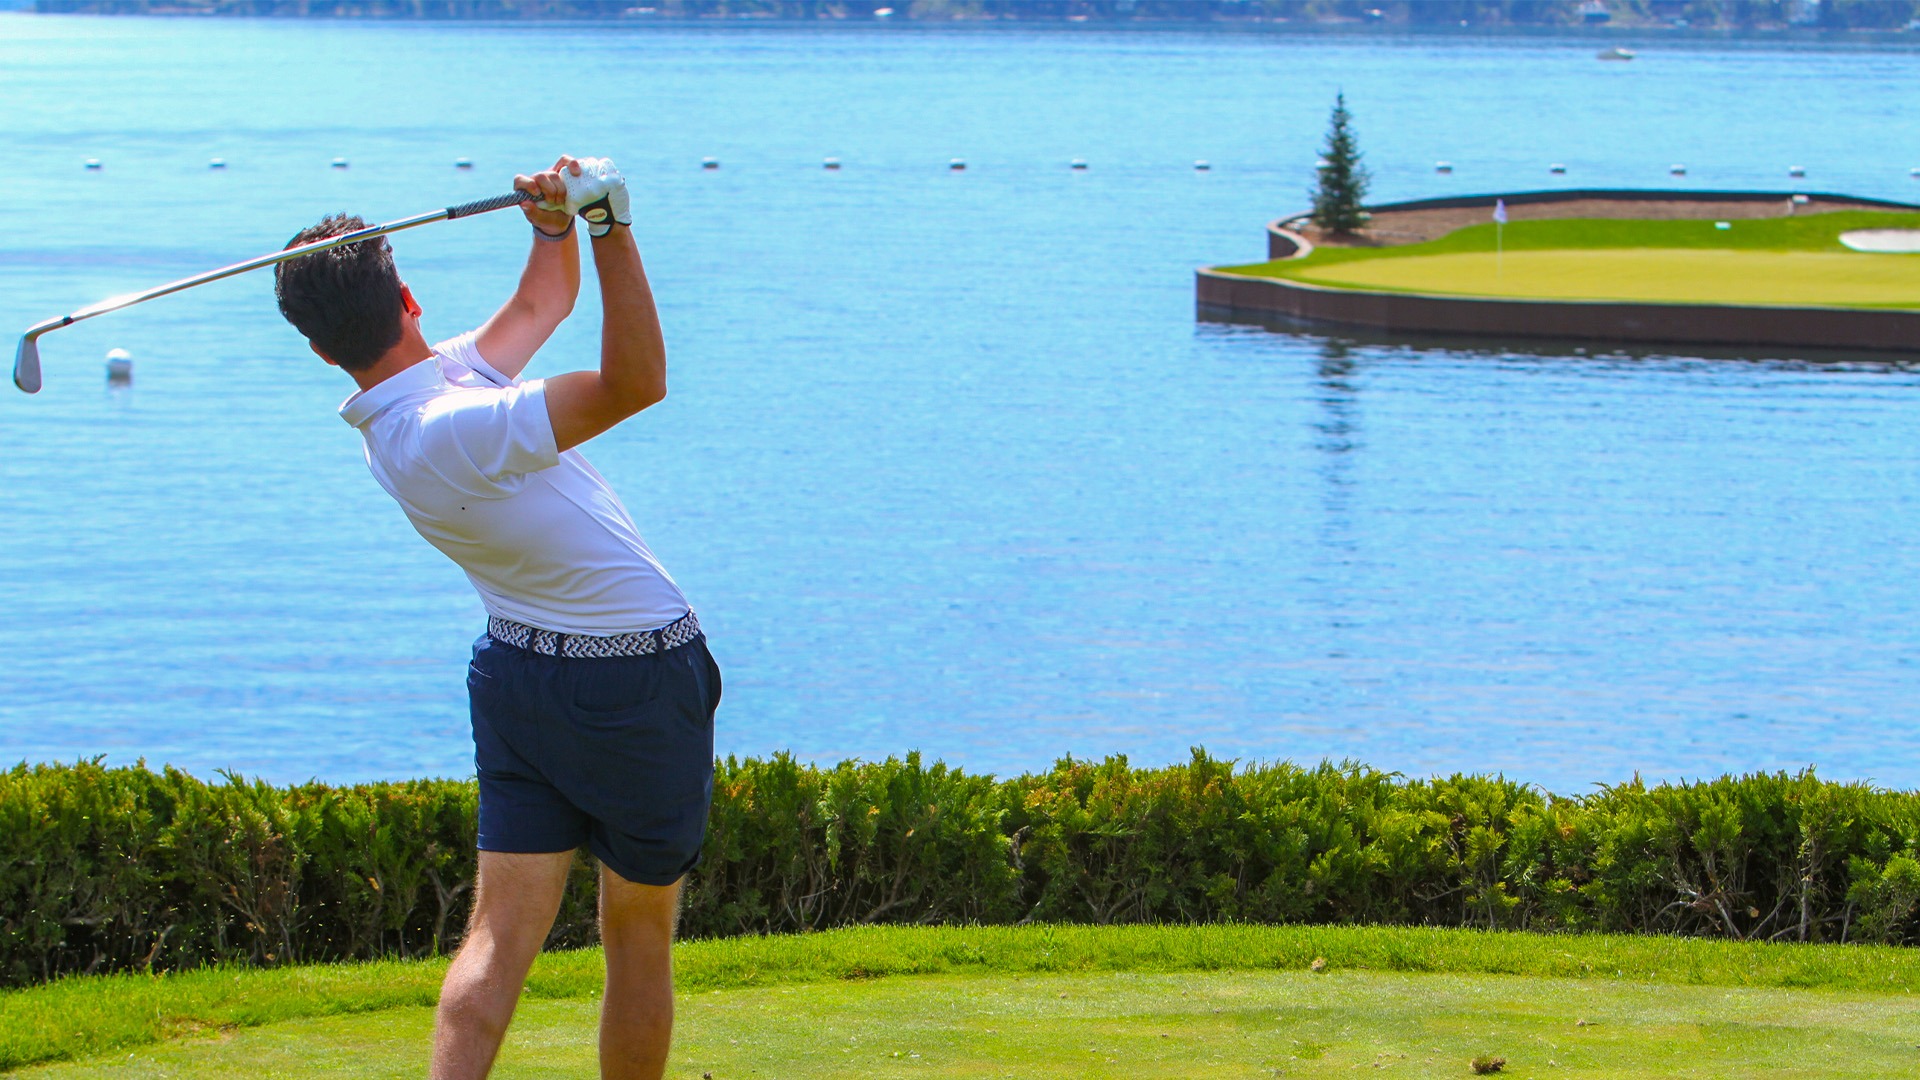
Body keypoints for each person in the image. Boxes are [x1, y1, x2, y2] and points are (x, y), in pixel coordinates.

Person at [274, 156, 719, 1080]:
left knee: (498, 940)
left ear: (322, 351)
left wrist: (552, 228)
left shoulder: (416, 407)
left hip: (518, 673)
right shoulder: (454, 428)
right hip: (633, 679)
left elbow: (539, 309)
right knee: (637, 930)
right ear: (410, 299)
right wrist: (612, 227)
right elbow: (636, 382)